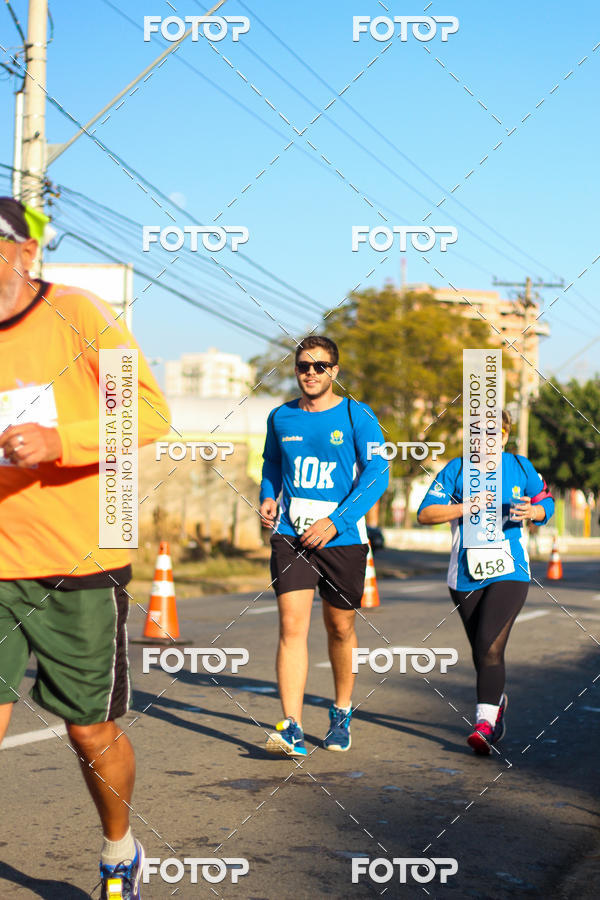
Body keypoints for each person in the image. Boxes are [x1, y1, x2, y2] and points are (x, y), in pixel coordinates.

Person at [0, 197, 170, 898]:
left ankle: (119, 847)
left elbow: (149, 414)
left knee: (88, 734)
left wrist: (60, 441)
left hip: (79, 562)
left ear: (24, 253)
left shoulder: (79, 312)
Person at [259, 336, 389, 756]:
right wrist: (267, 495)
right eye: (303, 366)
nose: (310, 373)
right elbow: (273, 463)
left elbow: (377, 474)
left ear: (335, 371)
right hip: (291, 536)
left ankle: (341, 711)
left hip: (343, 539)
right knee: (292, 627)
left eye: (319, 366)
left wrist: (335, 522)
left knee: (340, 629)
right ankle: (291, 726)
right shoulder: (281, 417)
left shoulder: (358, 415)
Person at [417, 409, 554, 755]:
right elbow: (425, 513)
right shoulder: (457, 468)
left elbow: (545, 503)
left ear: (505, 437)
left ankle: (483, 723)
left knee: (491, 646)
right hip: (464, 574)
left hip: (510, 569)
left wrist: (534, 512)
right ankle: (496, 704)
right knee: (482, 649)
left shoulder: (520, 467)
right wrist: (465, 507)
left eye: (496, 433)